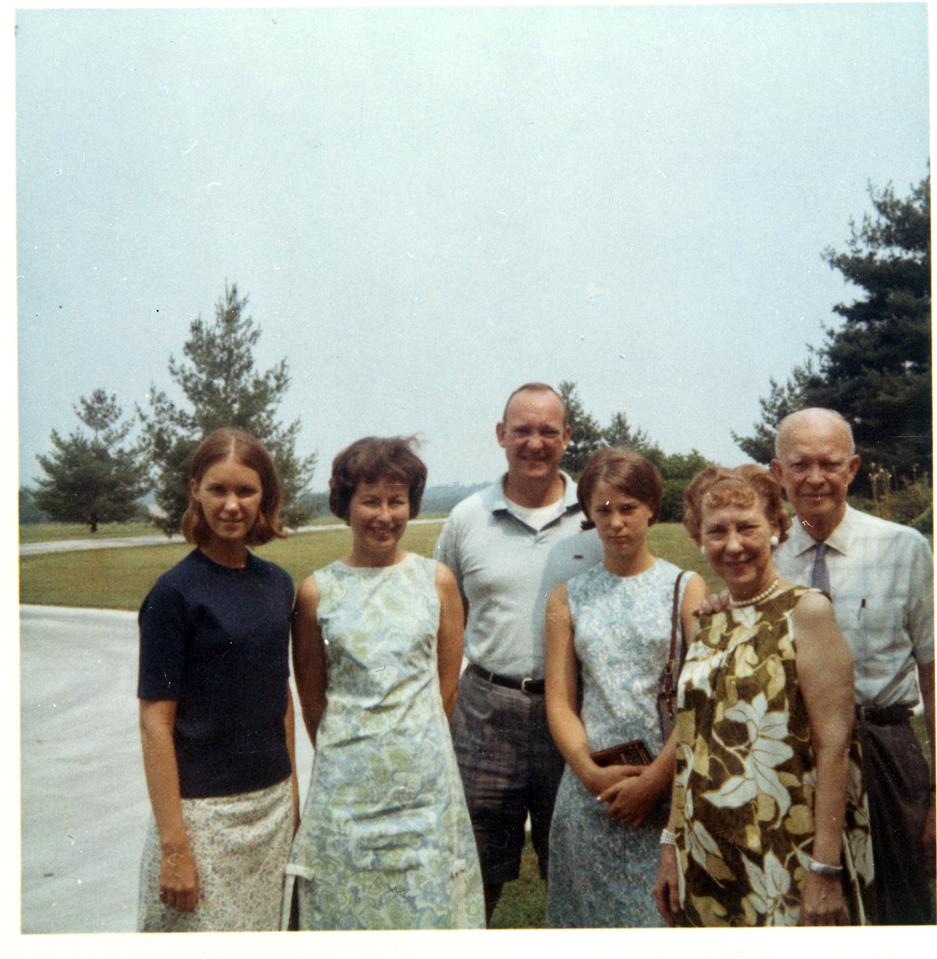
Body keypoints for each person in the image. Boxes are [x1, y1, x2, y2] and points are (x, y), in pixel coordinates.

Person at [654, 464, 874, 927]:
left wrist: (825, 868)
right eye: (717, 532)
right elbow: (690, 747)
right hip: (707, 851)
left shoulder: (807, 611)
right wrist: (671, 844)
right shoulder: (709, 621)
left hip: (783, 850)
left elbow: (834, 747)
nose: (733, 545)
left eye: (747, 527)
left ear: (775, 527)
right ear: (699, 538)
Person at [285, 436, 485, 929]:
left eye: (396, 501)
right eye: (370, 501)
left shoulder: (437, 581)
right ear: (345, 504)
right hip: (347, 791)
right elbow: (313, 703)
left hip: (423, 789)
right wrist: (356, 755)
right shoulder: (316, 592)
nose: (384, 515)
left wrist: (409, 745)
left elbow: (446, 689)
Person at [435, 383, 603, 922]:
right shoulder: (467, 518)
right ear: (501, 435)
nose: (535, 442)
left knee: (574, 867)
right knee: (473, 871)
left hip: (574, 712)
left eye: (548, 431)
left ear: (567, 437)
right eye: (522, 430)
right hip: (486, 713)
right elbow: (446, 617)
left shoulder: (596, 516)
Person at [770, 407, 935, 924]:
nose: (815, 478)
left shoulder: (903, 548)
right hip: (793, 760)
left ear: (853, 468)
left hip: (883, 752)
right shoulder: (765, 556)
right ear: (778, 472)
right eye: (800, 465)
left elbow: (933, 674)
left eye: (829, 463)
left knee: (895, 914)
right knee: (803, 909)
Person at [137, 428, 298, 931]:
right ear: (195, 491)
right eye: (218, 490)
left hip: (271, 808)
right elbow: (155, 724)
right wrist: (175, 849)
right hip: (202, 817)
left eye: (245, 491)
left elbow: (280, 698)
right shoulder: (174, 594)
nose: (232, 505)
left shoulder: (277, 584)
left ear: (264, 496)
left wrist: (293, 801)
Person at [544, 448, 707, 926]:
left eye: (628, 508)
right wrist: (587, 773)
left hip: (664, 793)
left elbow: (701, 698)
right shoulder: (567, 597)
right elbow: (560, 702)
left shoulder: (685, 587)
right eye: (604, 510)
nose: (616, 522)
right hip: (592, 796)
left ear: (651, 507)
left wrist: (654, 780)